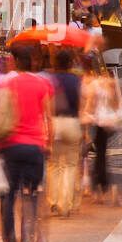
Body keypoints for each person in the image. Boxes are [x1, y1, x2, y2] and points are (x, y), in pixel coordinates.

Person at [0, 42, 55, 242]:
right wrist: (49, 144)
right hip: (35, 147)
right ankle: (27, 239)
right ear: (33, 62)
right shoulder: (42, 84)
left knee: (8, 196)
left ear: (15, 62)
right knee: (31, 195)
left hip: (10, 146)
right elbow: (49, 117)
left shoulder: (5, 85)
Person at [46, 49, 83, 217]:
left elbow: (46, 104)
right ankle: (65, 204)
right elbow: (81, 103)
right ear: (70, 63)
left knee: (53, 164)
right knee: (70, 165)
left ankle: (52, 201)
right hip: (72, 122)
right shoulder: (76, 80)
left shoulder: (49, 79)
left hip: (54, 122)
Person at [81, 57, 122, 204]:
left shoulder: (93, 85)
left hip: (98, 123)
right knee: (102, 154)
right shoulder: (111, 83)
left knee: (97, 155)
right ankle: (103, 186)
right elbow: (118, 104)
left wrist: (85, 116)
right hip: (111, 123)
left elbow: (89, 106)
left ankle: (99, 186)